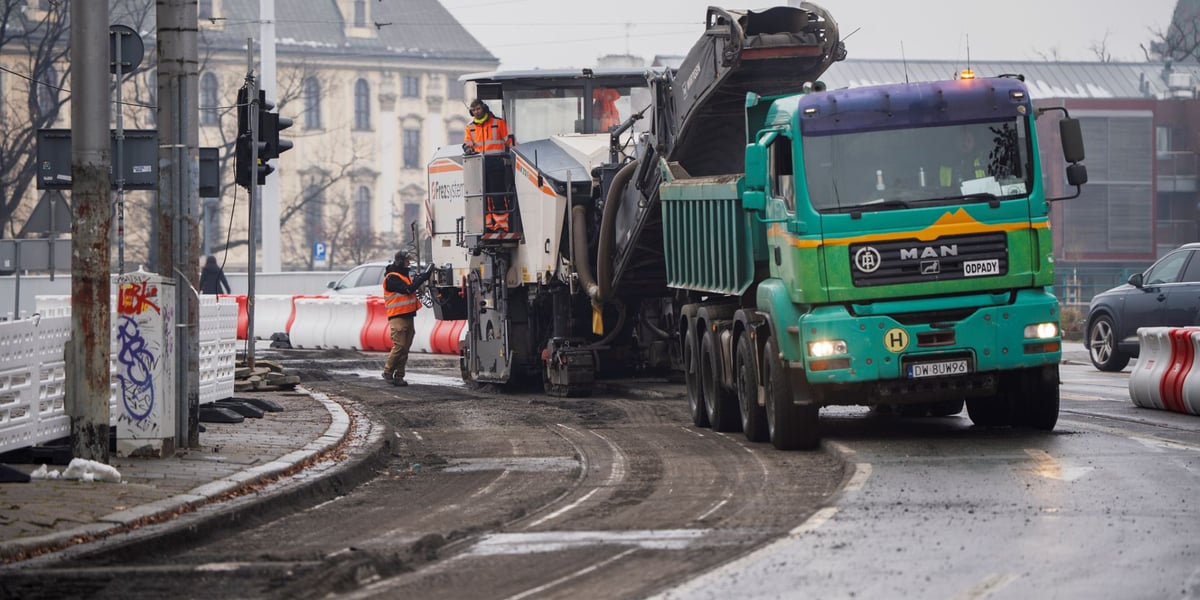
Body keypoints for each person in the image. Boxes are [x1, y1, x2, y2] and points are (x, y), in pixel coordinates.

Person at [382, 251, 434, 386]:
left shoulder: (403, 276)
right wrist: (421, 279)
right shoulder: (392, 278)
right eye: (406, 261)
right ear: (400, 262)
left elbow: (410, 289)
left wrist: (419, 280)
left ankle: (399, 376)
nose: (409, 263)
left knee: (405, 349)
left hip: (408, 316)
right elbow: (407, 290)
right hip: (397, 316)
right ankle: (388, 371)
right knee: (399, 346)